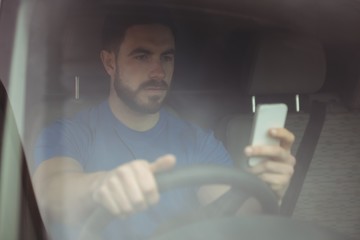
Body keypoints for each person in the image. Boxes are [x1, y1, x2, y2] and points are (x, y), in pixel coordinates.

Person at [33, 15, 296, 240]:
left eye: (167, 57)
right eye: (142, 56)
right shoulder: (70, 133)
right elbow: (50, 192)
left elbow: (235, 214)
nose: (159, 72)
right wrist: (99, 185)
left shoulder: (197, 140)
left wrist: (267, 190)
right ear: (109, 62)